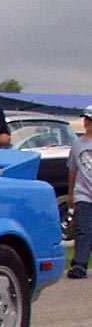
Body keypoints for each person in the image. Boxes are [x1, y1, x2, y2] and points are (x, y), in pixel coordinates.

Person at [66, 105, 92, 279]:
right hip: (83, 194)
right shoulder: (77, 144)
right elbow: (73, 171)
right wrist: (71, 195)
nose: (87, 123)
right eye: (86, 119)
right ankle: (79, 265)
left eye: (90, 120)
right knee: (83, 230)